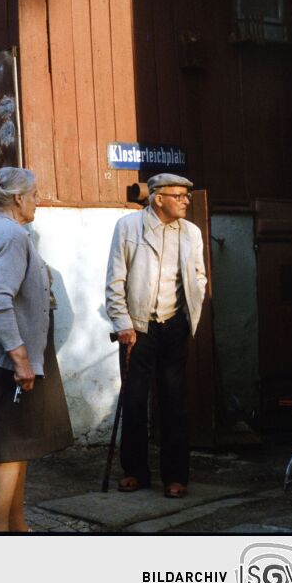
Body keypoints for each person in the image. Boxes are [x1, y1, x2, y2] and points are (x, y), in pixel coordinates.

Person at [0, 166, 73, 532]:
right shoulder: (11, 235)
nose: (38, 200)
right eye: (35, 193)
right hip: (5, 358)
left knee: (19, 445)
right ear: (18, 198)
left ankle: (18, 525)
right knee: (8, 449)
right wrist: (20, 358)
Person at [105, 173, 207, 498]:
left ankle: (176, 477)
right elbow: (114, 280)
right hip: (137, 328)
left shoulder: (191, 232)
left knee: (174, 403)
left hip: (174, 326)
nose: (186, 201)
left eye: (186, 196)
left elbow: (199, 276)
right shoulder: (128, 227)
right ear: (158, 198)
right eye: (179, 195)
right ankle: (135, 470)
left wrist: (191, 310)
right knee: (134, 401)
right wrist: (122, 322)